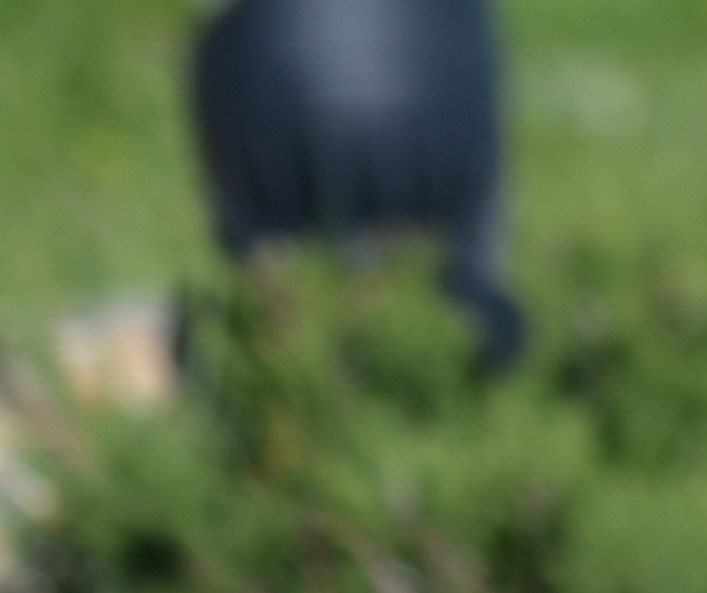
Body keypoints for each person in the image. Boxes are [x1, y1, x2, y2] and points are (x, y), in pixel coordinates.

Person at [185, 0, 525, 370]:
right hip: (441, 122)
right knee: (467, 299)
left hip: (268, 105)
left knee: (261, 314)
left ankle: (261, 364)